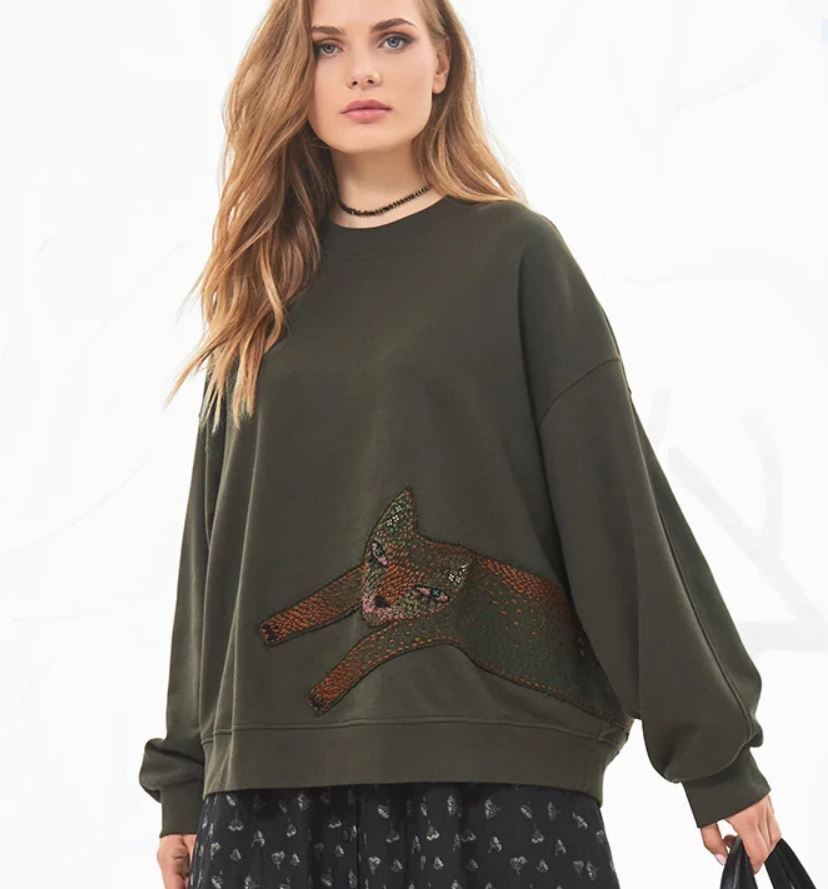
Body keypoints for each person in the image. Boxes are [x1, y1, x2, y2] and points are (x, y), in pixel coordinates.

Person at [138, 0, 784, 886]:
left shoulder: (516, 258)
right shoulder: (264, 285)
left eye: (392, 37)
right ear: (295, 72)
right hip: (268, 799)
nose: (363, 70)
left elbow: (618, 513)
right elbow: (213, 548)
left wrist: (714, 757)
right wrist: (184, 774)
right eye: (326, 47)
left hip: (494, 785)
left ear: (442, 62)